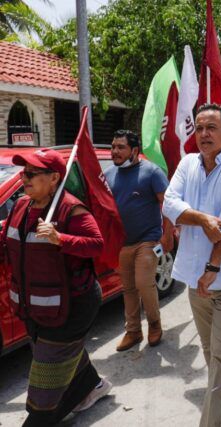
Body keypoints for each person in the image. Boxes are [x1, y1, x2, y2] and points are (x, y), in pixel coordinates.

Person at [162, 103, 221, 427]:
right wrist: (202, 219)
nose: (203, 134)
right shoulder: (188, 163)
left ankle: (211, 421)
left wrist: (213, 268)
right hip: (195, 280)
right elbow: (169, 203)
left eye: (211, 127)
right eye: (199, 128)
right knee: (209, 350)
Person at [1, 149, 111, 425]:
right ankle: (93, 385)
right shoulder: (21, 206)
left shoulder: (71, 209)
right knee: (60, 353)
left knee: (46, 382)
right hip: (33, 307)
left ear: (54, 178)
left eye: (32, 173)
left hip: (71, 306)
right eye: (23, 172)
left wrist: (61, 238)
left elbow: (97, 245)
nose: (24, 178)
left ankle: (40, 418)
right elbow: (6, 243)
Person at [105, 130, 170, 351]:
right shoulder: (108, 175)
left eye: (120, 147)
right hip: (122, 243)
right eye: (113, 146)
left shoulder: (151, 172)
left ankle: (154, 324)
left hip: (148, 240)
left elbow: (167, 205)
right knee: (128, 288)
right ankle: (133, 331)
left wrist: (167, 235)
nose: (115, 151)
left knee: (144, 283)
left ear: (134, 150)